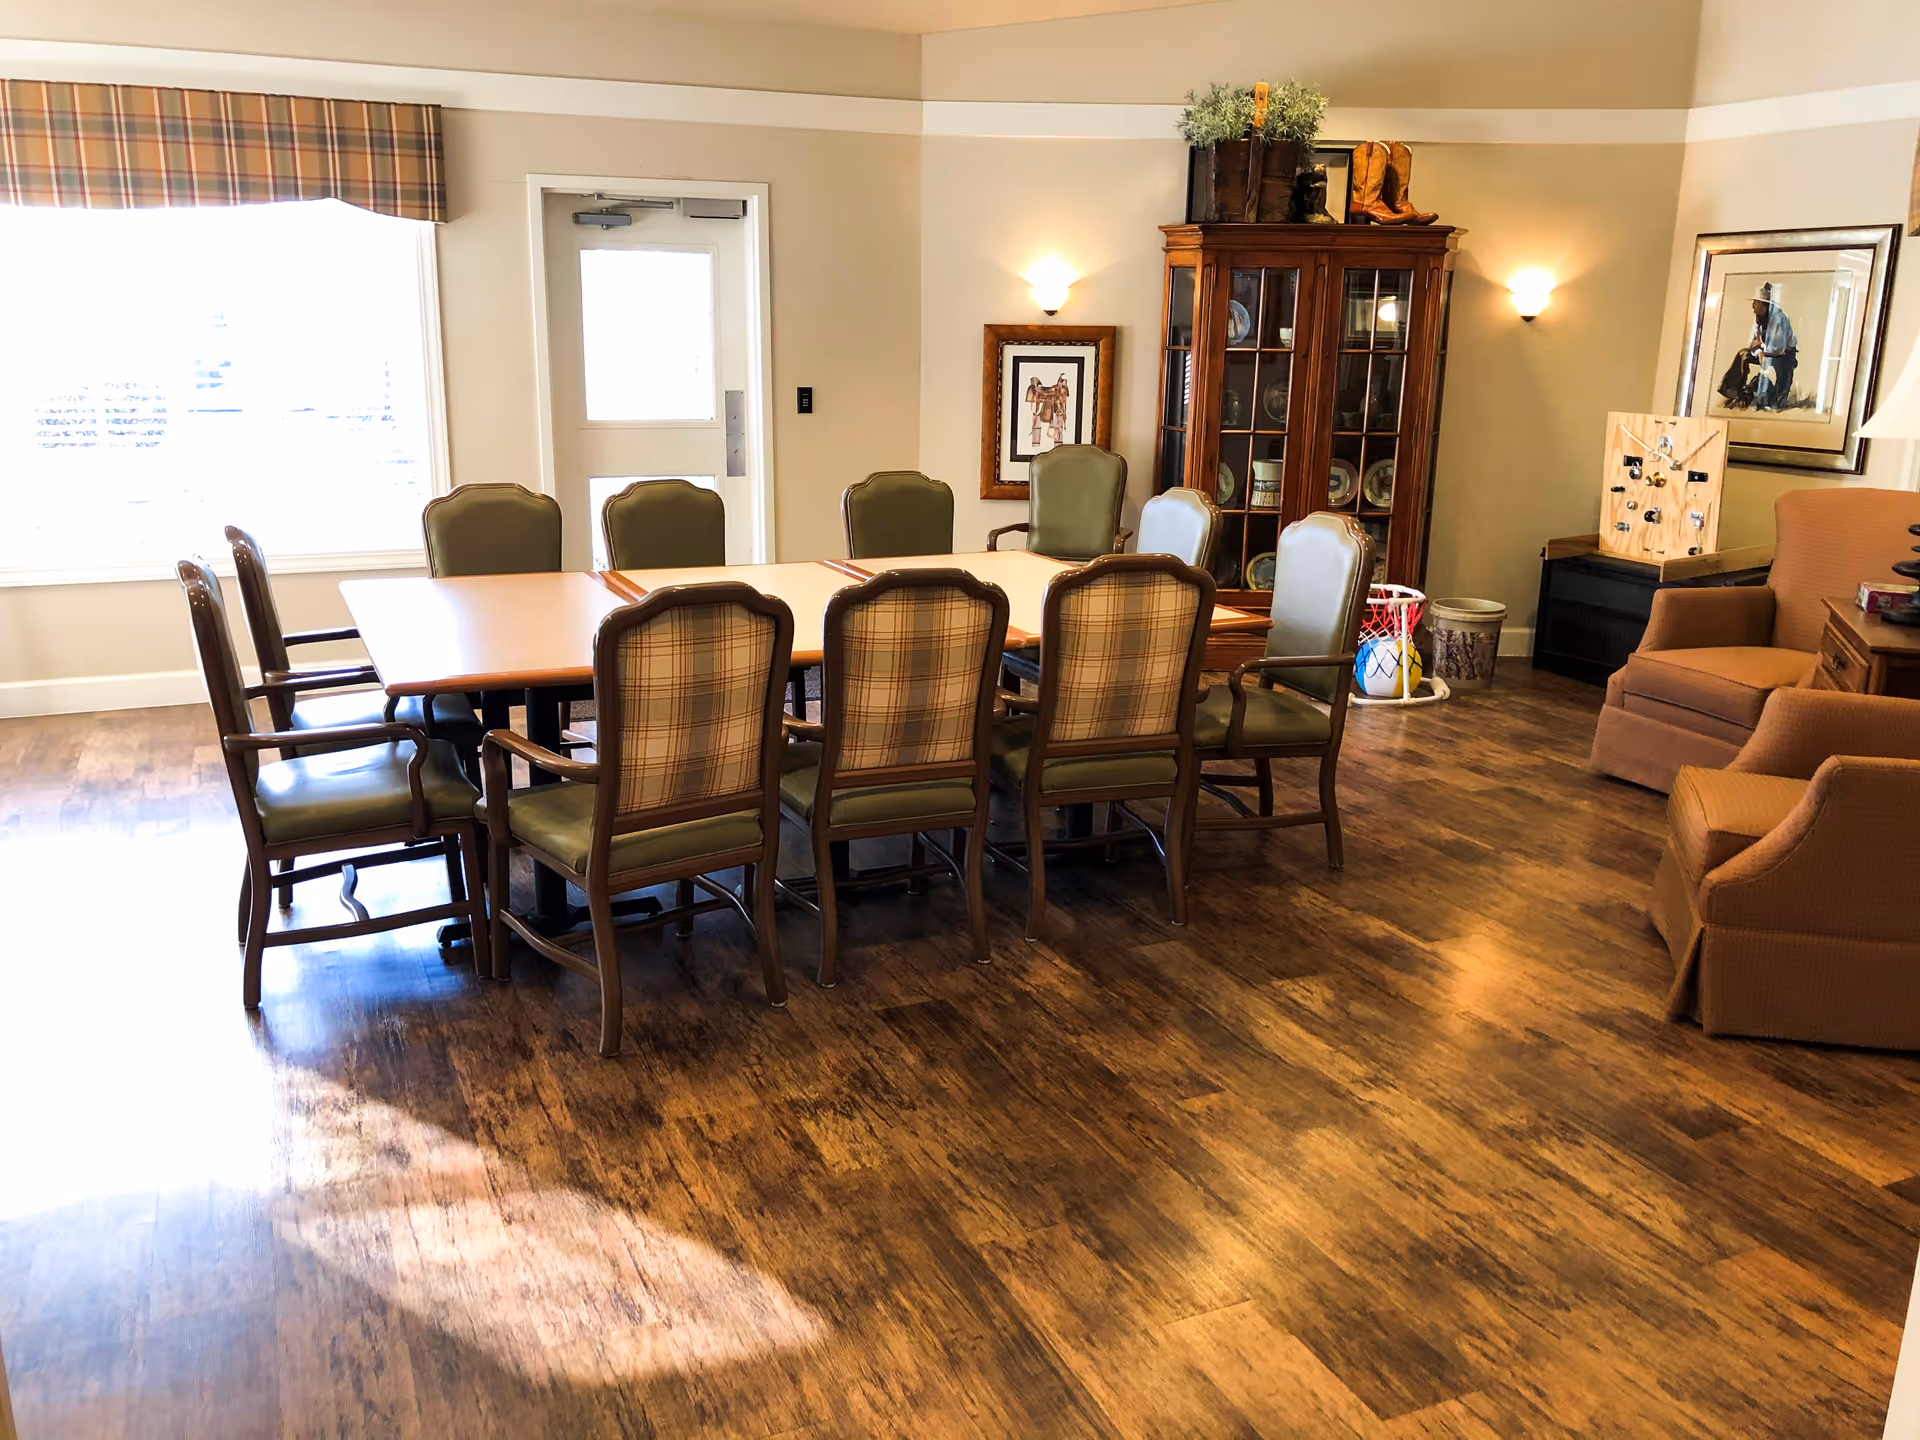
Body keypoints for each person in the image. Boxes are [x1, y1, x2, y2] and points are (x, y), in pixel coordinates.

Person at [1715, 281, 1798, 411]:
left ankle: (1766, 393)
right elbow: (1751, 342)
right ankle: (1735, 391)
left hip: (1784, 357)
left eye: (1756, 302)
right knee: (1743, 354)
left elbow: (1778, 349)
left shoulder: (1778, 319)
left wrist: (1761, 346)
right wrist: (1759, 351)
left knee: (1776, 402)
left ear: (1764, 305)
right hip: (1766, 353)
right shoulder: (1758, 318)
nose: (1753, 306)